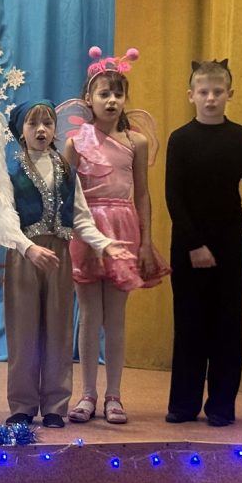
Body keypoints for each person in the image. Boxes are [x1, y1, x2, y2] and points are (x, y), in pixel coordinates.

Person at [0, 100, 132, 429]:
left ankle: (55, 404)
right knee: (24, 331)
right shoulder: (9, 170)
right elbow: (3, 218)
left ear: (55, 129)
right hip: (25, 255)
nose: (41, 130)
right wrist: (28, 248)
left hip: (59, 257)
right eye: (33, 124)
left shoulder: (67, 169)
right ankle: (23, 405)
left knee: (58, 330)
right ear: (21, 131)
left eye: (48, 123)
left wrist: (104, 243)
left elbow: (80, 216)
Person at [64, 47, 169, 424]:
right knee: (89, 314)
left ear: (125, 99)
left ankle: (114, 395)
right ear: (88, 98)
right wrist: (76, 236)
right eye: (104, 93)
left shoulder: (136, 142)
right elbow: (66, 196)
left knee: (116, 317)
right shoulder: (76, 142)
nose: (111, 100)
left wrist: (146, 241)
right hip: (87, 228)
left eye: (118, 94)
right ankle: (87, 394)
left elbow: (142, 194)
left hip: (124, 228)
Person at [165, 60, 242, 427]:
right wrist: (194, 244)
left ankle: (222, 405)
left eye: (217, 92)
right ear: (191, 95)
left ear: (229, 94)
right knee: (189, 322)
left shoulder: (240, 137)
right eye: (203, 92)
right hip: (188, 242)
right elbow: (174, 197)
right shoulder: (180, 139)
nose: (210, 98)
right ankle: (183, 404)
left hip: (229, 241)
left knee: (226, 323)